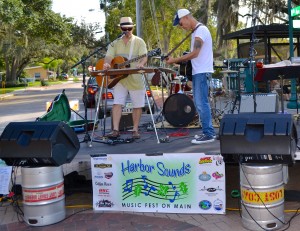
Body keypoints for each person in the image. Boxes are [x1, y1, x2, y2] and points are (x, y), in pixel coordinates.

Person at [166, 9, 216, 144]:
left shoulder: (200, 31)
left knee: (201, 103)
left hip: (201, 72)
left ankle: (209, 133)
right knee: (200, 103)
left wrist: (175, 59)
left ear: (187, 17)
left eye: (181, 23)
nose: (182, 27)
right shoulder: (197, 31)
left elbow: (195, 53)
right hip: (198, 72)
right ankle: (207, 132)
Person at [103, 17, 148, 139]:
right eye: (125, 28)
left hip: (135, 77)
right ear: (121, 28)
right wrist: (107, 63)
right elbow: (108, 56)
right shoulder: (115, 43)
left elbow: (144, 56)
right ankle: (115, 130)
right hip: (119, 79)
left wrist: (142, 63)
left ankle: (135, 130)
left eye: (130, 28)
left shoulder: (139, 42)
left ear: (132, 28)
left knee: (137, 105)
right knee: (117, 103)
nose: (127, 30)